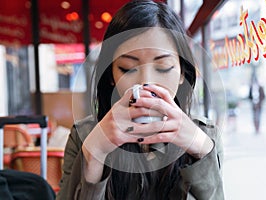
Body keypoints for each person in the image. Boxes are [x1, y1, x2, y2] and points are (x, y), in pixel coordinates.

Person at [57, 1, 224, 199]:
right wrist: (95, 152)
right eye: (127, 68)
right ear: (111, 75)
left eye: (163, 67)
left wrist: (201, 150)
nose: (146, 82)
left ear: (182, 73)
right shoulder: (84, 135)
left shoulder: (204, 135)